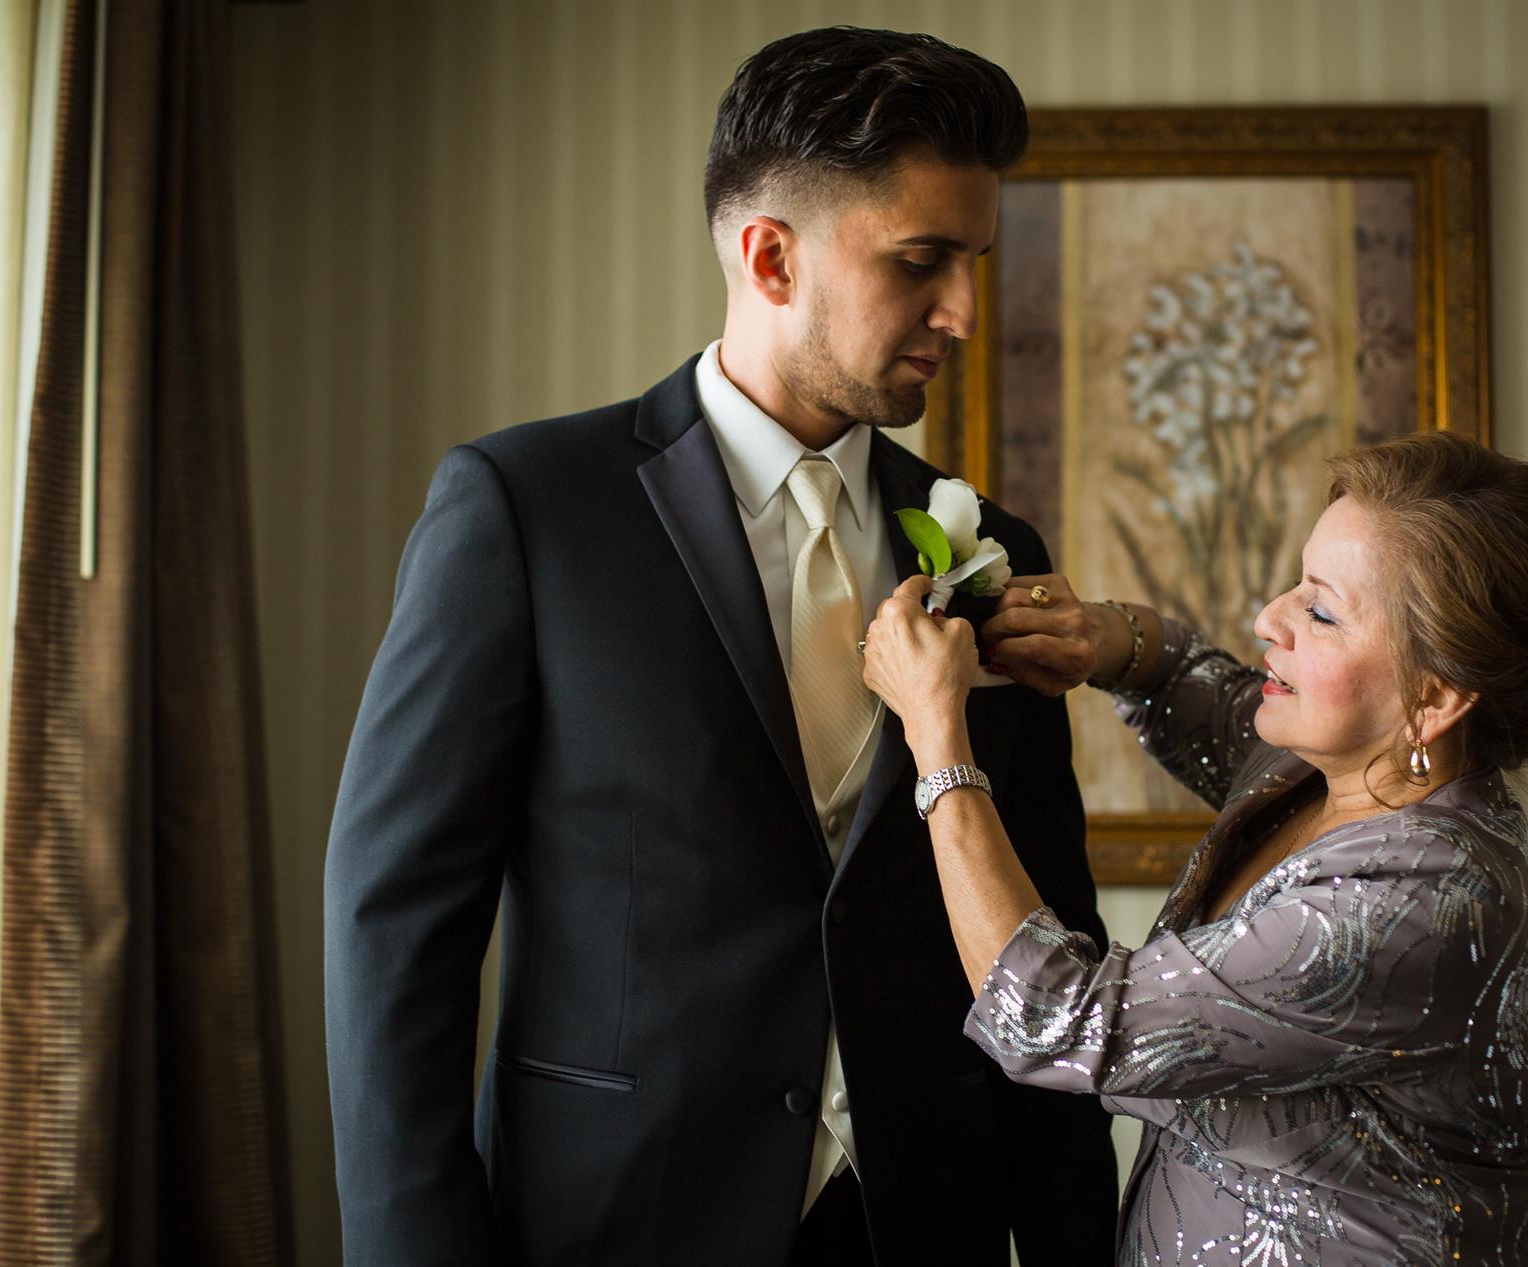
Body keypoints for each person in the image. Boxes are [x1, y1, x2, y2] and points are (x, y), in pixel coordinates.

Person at [322, 25, 1116, 1267]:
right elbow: (395, 924)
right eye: (922, 261)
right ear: (770, 256)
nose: (963, 312)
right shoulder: (527, 511)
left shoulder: (989, 548)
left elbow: (1048, 919)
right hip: (617, 1220)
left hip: (921, 1227)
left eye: (972, 262)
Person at [861, 431, 1528, 1265]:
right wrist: (1104, 637)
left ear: (1436, 696)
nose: (1269, 618)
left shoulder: (1416, 903)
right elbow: (1194, 684)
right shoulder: (1326, 767)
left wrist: (936, 734)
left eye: (1322, 612)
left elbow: (1052, 1016)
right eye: (1298, 582)